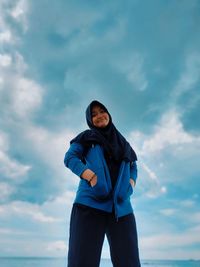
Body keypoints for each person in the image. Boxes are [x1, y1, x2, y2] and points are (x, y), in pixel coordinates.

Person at [64, 100, 141, 267]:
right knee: (82, 262)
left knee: (130, 262)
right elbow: (70, 158)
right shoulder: (86, 137)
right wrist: (90, 176)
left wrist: (131, 184)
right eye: (93, 114)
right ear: (89, 120)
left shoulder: (123, 143)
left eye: (102, 111)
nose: (99, 116)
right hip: (89, 206)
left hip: (122, 209)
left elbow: (133, 166)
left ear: (108, 113)